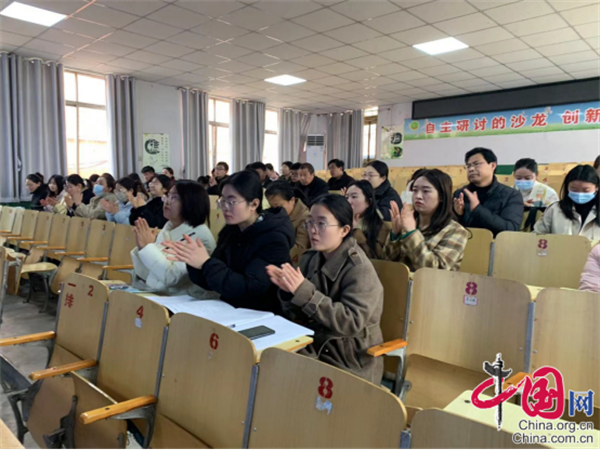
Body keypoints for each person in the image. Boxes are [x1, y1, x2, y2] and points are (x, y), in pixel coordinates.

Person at [266, 194, 384, 384]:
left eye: (321, 223)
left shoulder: (359, 269)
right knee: (265, 361)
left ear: (344, 230)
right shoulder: (311, 258)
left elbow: (351, 322)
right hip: (314, 343)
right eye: (310, 222)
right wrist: (289, 291)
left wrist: (304, 293)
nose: (313, 230)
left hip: (348, 357)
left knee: (279, 376)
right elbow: (297, 313)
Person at [164, 171, 295, 313]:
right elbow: (211, 282)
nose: (225, 207)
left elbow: (249, 288)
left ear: (254, 204)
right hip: (229, 309)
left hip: (260, 314)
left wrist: (206, 263)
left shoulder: (274, 239)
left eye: (232, 202)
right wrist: (194, 263)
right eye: (222, 200)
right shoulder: (231, 231)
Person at [131, 180, 216, 298]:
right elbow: (151, 272)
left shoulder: (199, 237)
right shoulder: (168, 228)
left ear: (191, 203)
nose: (167, 201)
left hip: (187, 301)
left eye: (175, 198)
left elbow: (171, 278)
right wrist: (143, 247)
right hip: (160, 294)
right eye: (167, 196)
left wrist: (147, 247)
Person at [384, 169, 468, 271]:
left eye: (426, 191)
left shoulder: (456, 231)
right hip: (401, 280)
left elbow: (436, 270)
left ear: (441, 196)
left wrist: (411, 234)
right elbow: (387, 262)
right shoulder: (408, 222)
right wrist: (395, 234)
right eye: (415, 190)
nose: (418, 196)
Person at [453, 148, 523, 236]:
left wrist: (477, 209)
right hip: (463, 242)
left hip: (495, 243)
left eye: (476, 164)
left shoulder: (511, 195)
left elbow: (511, 229)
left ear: (493, 165)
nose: (471, 169)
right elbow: (449, 228)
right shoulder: (460, 194)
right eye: (468, 165)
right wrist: (459, 215)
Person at [534, 165, 600, 239]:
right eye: (574, 189)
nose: (580, 194)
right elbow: (537, 236)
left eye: (586, 190)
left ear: (597, 187)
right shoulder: (554, 209)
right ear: (567, 187)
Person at [345, 180, 390, 260]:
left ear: (368, 202)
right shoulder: (340, 222)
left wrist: (355, 231)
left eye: (354, 197)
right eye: (346, 197)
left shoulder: (380, 226)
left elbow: (375, 259)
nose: (349, 201)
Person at [266, 181, 310, 255]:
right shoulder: (272, 213)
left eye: (278, 206)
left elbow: (299, 249)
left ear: (292, 200)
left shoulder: (305, 218)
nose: (275, 209)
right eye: (271, 206)